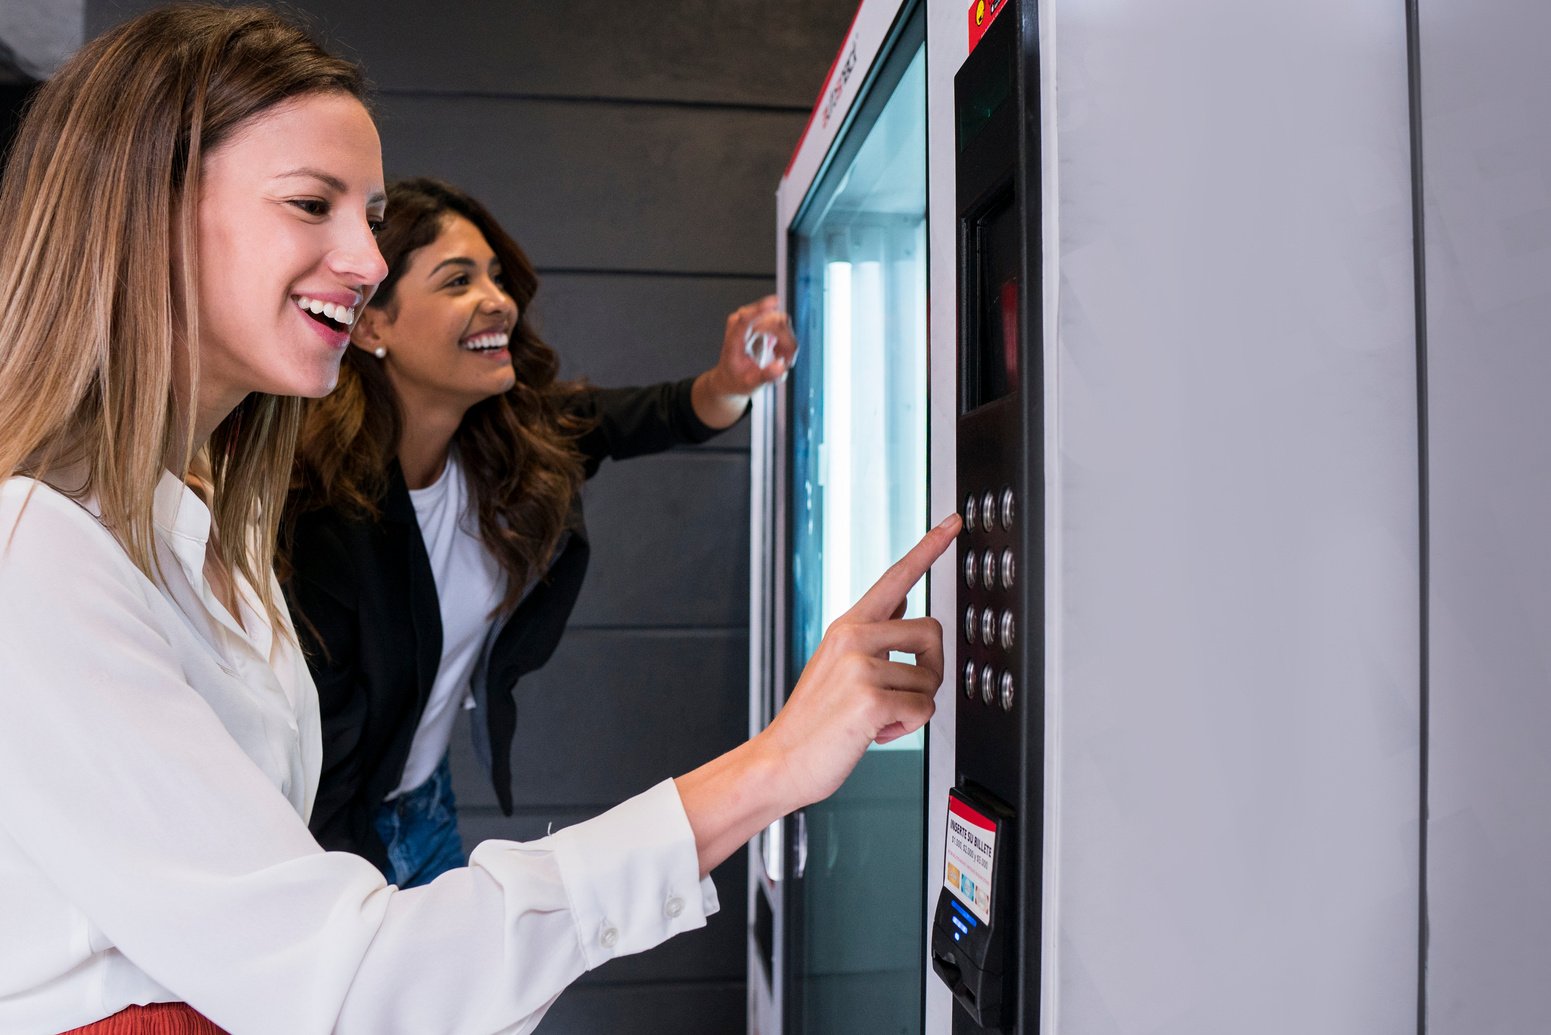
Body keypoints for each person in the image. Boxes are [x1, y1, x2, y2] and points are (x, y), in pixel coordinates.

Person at [0, 6, 956, 1034]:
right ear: (145, 216)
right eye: (312, 203)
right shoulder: (46, 553)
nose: (362, 260)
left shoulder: (214, 511)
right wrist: (770, 769)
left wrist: (730, 385)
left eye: (367, 216)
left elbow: (629, 418)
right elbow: (354, 983)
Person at [281, 177, 794, 888]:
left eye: (495, 276)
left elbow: (656, 413)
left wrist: (733, 378)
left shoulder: (508, 443)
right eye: (457, 280)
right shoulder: (320, 514)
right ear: (372, 325)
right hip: (328, 837)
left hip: (425, 804)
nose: (498, 299)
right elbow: (322, 751)